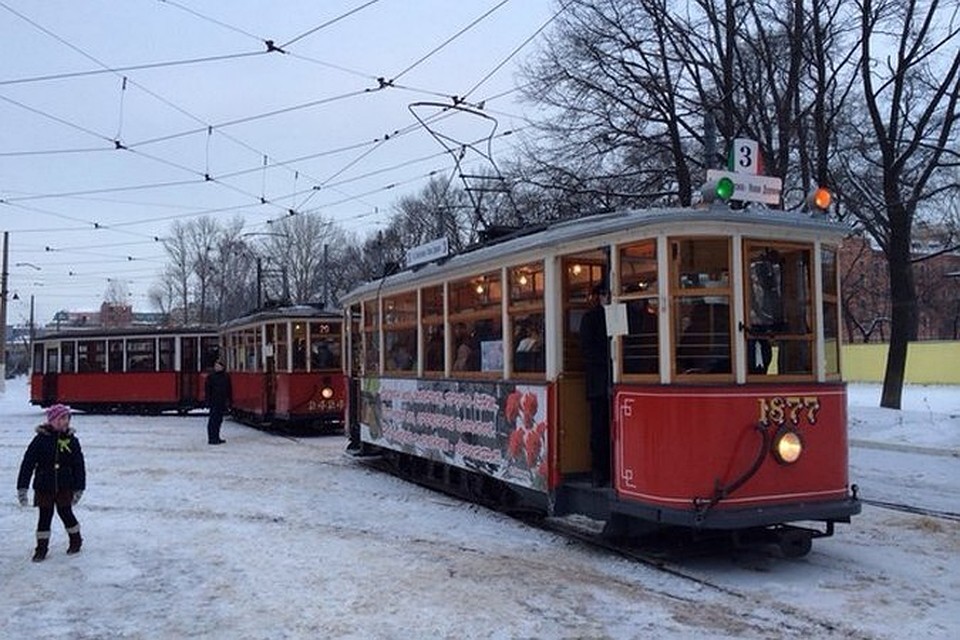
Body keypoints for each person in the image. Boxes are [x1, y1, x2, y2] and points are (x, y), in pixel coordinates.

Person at [17, 404, 86, 562]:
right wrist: (22, 487)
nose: (65, 422)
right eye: (61, 418)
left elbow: (79, 465)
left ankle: (76, 540)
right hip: (44, 486)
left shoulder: (71, 441)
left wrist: (79, 487)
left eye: (67, 418)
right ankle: (41, 548)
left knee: (66, 513)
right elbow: (27, 463)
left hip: (64, 486)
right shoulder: (40, 440)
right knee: (44, 517)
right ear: (52, 421)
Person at [579, 284, 611, 487]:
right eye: (605, 294)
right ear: (599, 296)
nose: (608, 298)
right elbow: (587, 349)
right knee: (599, 428)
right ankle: (598, 471)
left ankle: (610, 469)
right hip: (599, 383)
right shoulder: (590, 318)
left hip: (614, 381)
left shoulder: (618, 314)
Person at [205, 359, 232, 445]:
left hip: (222, 401)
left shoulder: (226, 376)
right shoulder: (211, 377)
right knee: (213, 420)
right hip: (214, 401)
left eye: (218, 366)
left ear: (222, 367)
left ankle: (217, 437)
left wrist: (229, 400)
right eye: (216, 366)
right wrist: (208, 401)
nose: (217, 367)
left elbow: (229, 389)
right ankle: (212, 438)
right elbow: (208, 390)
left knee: (219, 420)